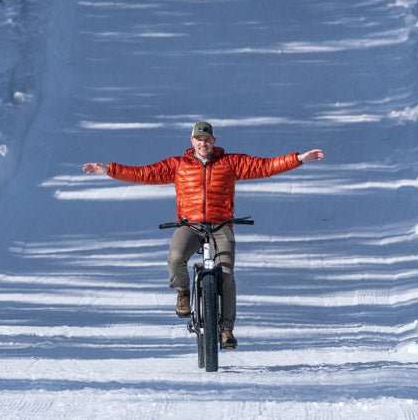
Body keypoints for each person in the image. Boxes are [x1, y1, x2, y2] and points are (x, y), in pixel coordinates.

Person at [82, 121, 324, 349]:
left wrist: (298, 159)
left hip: (221, 225)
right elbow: (144, 173)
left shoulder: (230, 163)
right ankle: (183, 293)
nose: (202, 144)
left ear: (213, 141)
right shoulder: (178, 165)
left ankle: (226, 330)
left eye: (206, 139)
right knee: (176, 257)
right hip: (190, 225)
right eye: (198, 139)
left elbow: (265, 166)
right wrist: (108, 170)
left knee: (226, 273)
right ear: (192, 141)